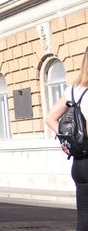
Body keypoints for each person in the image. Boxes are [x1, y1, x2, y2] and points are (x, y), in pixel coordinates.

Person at [45, 46, 88, 229]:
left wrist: (69, 141)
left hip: (79, 163)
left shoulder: (73, 90)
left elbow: (50, 118)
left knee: (84, 217)